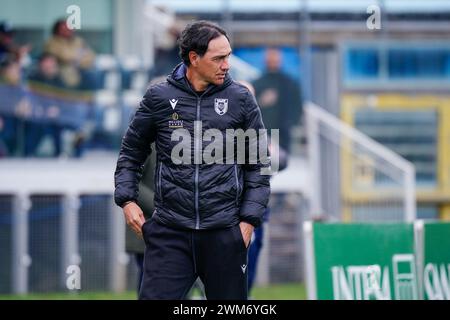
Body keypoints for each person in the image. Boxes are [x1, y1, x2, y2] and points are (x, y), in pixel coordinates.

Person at [114, 20, 270, 300]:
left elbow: (258, 166)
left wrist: (247, 222)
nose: (227, 65)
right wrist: (127, 200)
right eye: (219, 58)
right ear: (194, 58)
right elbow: (130, 152)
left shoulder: (242, 100)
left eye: (229, 56)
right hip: (170, 232)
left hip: (225, 233)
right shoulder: (158, 97)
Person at [252, 48, 302, 153]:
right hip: (264, 131)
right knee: (265, 164)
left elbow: (297, 104)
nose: (273, 62)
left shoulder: (289, 83)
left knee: (280, 163)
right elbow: (249, 106)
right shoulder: (258, 83)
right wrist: (261, 101)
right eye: (270, 60)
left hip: (283, 131)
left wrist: (292, 123)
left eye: (275, 60)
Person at [125, 151, 156, 294]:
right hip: (148, 230)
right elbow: (130, 180)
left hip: (178, 231)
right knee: (150, 288)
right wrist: (165, 206)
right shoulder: (146, 135)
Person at [44, 19, 96, 89]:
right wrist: (79, 57)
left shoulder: (79, 41)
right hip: (62, 70)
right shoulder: (52, 42)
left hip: (83, 68)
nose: (67, 30)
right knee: (70, 76)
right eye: (64, 28)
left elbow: (90, 56)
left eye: (69, 28)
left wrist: (78, 62)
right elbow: (65, 56)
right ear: (57, 30)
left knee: (94, 73)